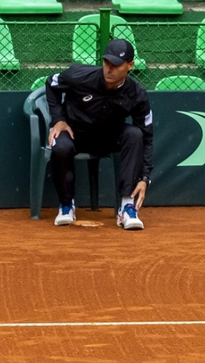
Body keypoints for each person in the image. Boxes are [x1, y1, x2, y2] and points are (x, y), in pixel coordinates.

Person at [45, 38, 154, 230]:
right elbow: (51, 83)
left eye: (116, 65)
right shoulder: (79, 75)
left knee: (135, 135)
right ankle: (65, 205)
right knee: (59, 145)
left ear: (130, 66)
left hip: (108, 137)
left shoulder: (137, 94)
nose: (109, 69)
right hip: (74, 134)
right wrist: (58, 119)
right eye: (106, 63)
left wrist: (144, 177)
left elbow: (147, 136)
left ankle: (127, 207)